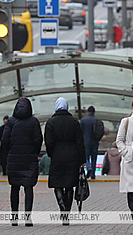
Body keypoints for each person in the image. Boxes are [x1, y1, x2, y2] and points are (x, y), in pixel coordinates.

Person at [1, 98, 43, 227]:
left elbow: (5, 141)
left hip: (14, 159)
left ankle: (14, 217)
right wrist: (33, 152)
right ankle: (28, 217)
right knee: (28, 187)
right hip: (29, 159)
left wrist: (7, 157)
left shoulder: (11, 122)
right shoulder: (33, 122)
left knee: (15, 187)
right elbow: (38, 140)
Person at [44, 97, 85, 226]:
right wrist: (82, 159)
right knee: (69, 184)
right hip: (72, 156)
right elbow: (80, 141)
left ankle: (61, 205)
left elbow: (48, 142)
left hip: (57, 155)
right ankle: (67, 211)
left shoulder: (51, 122)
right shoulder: (74, 121)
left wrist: (51, 153)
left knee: (57, 183)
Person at [80, 105, 99, 179]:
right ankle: (93, 175)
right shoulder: (97, 120)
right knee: (94, 158)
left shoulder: (83, 120)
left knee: (86, 157)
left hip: (86, 142)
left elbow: (80, 132)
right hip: (95, 142)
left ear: (88, 112)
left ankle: (88, 167)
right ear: (94, 112)